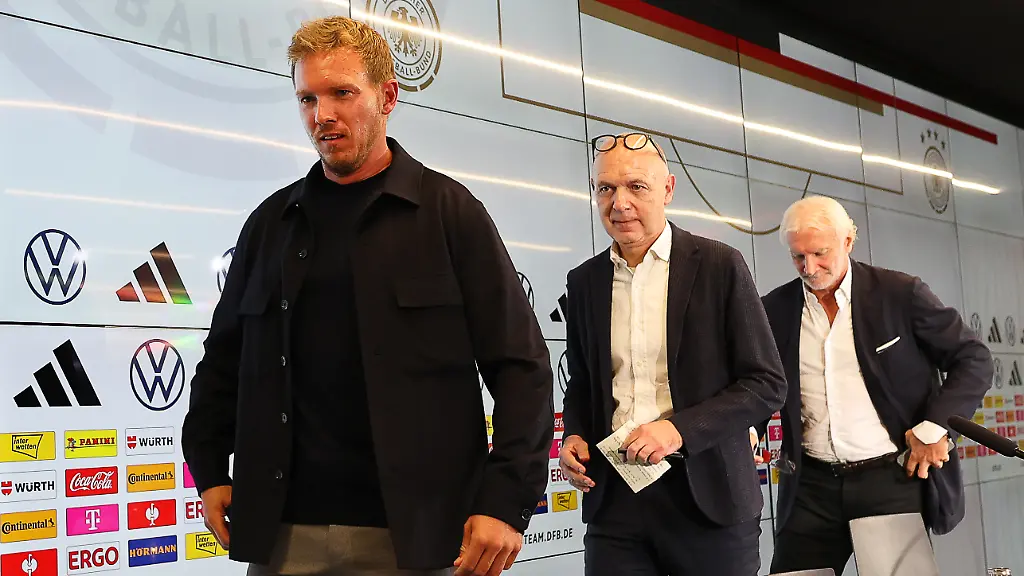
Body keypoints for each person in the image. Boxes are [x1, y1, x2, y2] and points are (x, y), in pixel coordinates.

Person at [181, 16, 554, 576]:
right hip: (284, 536)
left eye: (342, 93)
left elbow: (521, 367)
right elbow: (223, 362)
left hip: (419, 538)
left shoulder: (450, 215)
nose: (322, 115)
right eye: (307, 98)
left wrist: (504, 501)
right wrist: (209, 468)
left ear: (388, 97)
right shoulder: (270, 224)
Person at [557, 132, 788, 576]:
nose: (620, 203)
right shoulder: (584, 281)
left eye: (636, 187)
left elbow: (766, 384)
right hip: (616, 501)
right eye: (606, 188)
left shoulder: (719, 265)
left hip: (708, 498)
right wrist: (575, 434)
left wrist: (677, 431)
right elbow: (583, 382)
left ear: (668, 189)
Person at [759, 196, 993, 574]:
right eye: (798, 256)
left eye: (820, 254)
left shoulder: (900, 294)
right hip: (810, 486)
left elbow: (974, 358)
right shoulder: (774, 309)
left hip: (891, 479)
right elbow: (758, 382)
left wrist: (935, 428)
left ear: (848, 241)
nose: (809, 268)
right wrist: (748, 432)